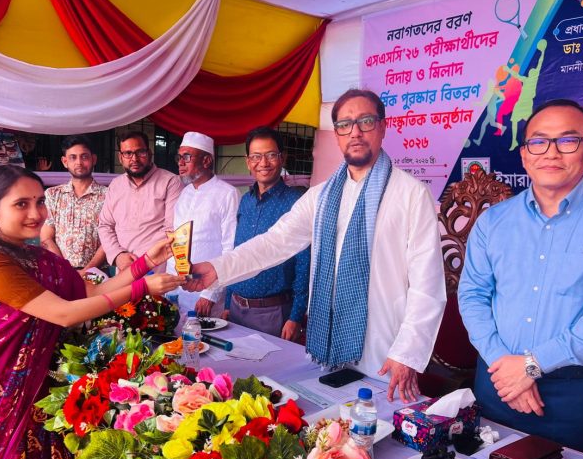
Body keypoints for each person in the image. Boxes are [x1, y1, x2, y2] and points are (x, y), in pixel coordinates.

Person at [186, 89, 446, 403]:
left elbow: (427, 285)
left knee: (375, 424)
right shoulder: (321, 196)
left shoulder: (410, 194)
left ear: (382, 127)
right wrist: (217, 269)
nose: (355, 132)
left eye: (365, 121)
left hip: (384, 348)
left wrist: (407, 352)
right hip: (328, 343)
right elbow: (275, 242)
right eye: (345, 125)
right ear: (336, 135)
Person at [0, 165, 185, 459]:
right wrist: (140, 288)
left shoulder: (37, 258)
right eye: (21, 204)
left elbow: (90, 292)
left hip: (36, 390)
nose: (36, 214)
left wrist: (144, 264)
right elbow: (64, 313)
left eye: (39, 202)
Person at [458, 99, 583, 453]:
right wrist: (504, 366)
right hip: (496, 381)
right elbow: (473, 296)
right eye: (538, 141)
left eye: (567, 140)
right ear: (524, 155)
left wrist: (531, 367)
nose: (551, 152)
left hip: (571, 393)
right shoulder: (493, 221)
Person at [223, 127, 310, 341]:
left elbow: (304, 262)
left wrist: (295, 316)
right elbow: (237, 252)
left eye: (271, 155)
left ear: (282, 158)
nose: (263, 163)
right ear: (248, 161)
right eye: (256, 156)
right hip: (235, 309)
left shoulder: (296, 203)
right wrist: (227, 303)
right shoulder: (246, 200)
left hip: (273, 313)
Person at [166, 132, 239, 319]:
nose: (180, 163)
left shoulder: (228, 194)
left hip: (207, 294)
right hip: (179, 289)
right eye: (179, 157)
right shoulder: (184, 194)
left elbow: (230, 248)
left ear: (206, 161)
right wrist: (170, 286)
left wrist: (210, 294)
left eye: (187, 157)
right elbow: (177, 243)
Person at [98, 131, 183, 271]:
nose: (134, 159)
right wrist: (118, 255)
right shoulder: (116, 185)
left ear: (149, 153)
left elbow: (172, 229)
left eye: (140, 152)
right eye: (128, 153)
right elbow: (105, 225)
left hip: (157, 270)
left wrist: (141, 261)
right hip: (123, 270)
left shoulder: (170, 182)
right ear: (120, 157)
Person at [40, 134, 107, 272]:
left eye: (84, 157)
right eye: (73, 157)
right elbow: (46, 238)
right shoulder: (53, 195)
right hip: (61, 271)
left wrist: (88, 270)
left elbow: (110, 239)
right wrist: (66, 270)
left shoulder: (108, 195)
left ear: (93, 159)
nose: (79, 162)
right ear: (65, 161)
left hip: (97, 273)